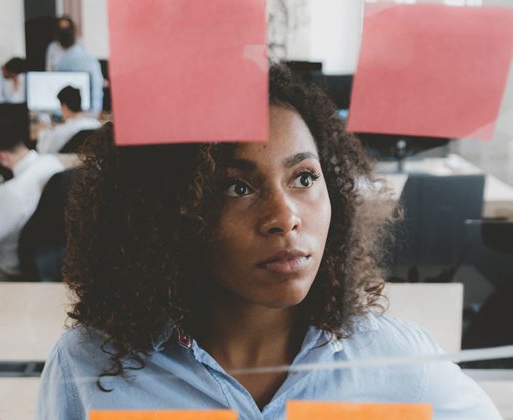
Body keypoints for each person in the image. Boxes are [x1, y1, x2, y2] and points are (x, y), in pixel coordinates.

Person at [36, 65, 500, 419]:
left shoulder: (397, 365)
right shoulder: (91, 366)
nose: (285, 218)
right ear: (168, 212)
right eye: (237, 188)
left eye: (303, 178)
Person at [0, 119, 64, 281]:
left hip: (2, 269)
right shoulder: (51, 163)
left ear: (1, 157)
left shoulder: (11, 192)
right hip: (44, 259)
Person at [52, 17, 103, 115]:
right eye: (62, 30)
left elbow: (97, 85)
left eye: (67, 30)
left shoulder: (83, 53)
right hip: (64, 109)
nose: (65, 33)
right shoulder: (53, 49)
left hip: (84, 109)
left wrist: (94, 113)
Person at [36, 86, 101, 154]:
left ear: (64, 106)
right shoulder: (96, 125)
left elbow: (43, 152)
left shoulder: (61, 131)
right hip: (90, 162)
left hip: (67, 163)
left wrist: (43, 131)